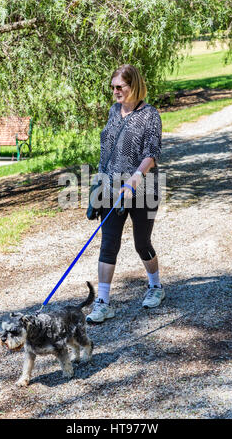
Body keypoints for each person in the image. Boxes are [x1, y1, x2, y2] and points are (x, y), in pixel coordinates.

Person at [86, 64, 164, 324]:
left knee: (142, 243)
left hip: (142, 189)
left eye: (120, 87)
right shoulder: (113, 112)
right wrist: (97, 185)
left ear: (134, 86)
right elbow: (106, 152)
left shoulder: (150, 114)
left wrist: (135, 178)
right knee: (108, 244)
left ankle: (155, 286)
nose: (116, 92)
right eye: (113, 87)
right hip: (111, 189)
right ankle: (103, 302)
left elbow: (151, 153)